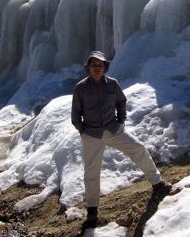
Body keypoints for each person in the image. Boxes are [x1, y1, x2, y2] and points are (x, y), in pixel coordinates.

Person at [71, 51, 171, 228]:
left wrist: (121, 120)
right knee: (91, 172)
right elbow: (75, 114)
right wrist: (82, 130)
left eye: (100, 65)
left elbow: (121, 102)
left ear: (104, 67)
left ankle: (158, 184)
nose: (97, 68)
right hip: (91, 134)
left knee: (138, 148)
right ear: (88, 67)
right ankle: (92, 212)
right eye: (93, 65)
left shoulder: (113, 84)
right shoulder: (80, 88)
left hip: (112, 129)